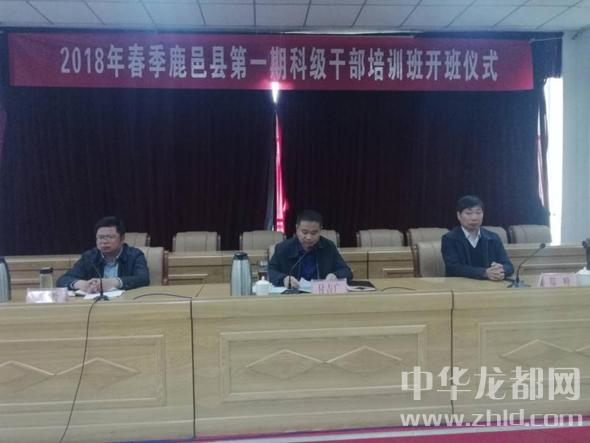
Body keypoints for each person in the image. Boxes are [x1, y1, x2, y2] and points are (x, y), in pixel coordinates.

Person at [57, 216, 149, 292]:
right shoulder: (89, 257)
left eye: (110, 237)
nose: (104, 242)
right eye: (100, 237)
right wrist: (81, 284)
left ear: (122, 239)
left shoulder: (134, 255)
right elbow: (63, 279)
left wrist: (114, 283)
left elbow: (143, 279)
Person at [268, 210, 352, 288]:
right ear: (297, 229)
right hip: (294, 294)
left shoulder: (328, 246)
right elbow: (271, 271)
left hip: (320, 294)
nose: (309, 237)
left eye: (314, 233)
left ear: (320, 230)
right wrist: (284, 279)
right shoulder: (283, 248)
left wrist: (336, 275)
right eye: (304, 232)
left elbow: (346, 271)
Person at [441, 195, 514, 280]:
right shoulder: (449, 239)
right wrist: (484, 273)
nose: (474, 218)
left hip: (489, 285)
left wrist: (499, 270)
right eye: (468, 213)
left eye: (478, 213)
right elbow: (454, 268)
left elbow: (509, 266)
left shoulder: (493, 238)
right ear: (459, 216)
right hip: (460, 285)